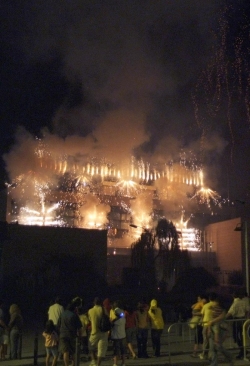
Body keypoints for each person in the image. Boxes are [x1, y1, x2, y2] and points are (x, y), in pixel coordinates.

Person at [207, 295, 234, 366]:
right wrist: (209, 328)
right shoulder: (213, 308)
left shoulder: (222, 310)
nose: (213, 302)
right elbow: (210, 319)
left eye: (215, 301)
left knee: (218, 347)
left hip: (220, 329)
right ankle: (214, 363)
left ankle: (230, 356)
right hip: (213, 328)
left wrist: (212, 322)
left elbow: (221, 317)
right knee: (212, 348)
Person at [226, 288, 249, 360]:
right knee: (242, 336)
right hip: (243, 320)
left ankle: (242, 351)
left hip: (237, 320)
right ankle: (243, 350)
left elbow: (230, 313)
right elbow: (248, 311)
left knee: (235, 336)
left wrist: (222, 319)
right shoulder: (244, 301)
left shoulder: (235, 303)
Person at [57, 300, 83, 366]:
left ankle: (66, 365)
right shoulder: (74, 315)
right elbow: (79, 327)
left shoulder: (62, 314)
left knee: (65, 352)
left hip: (63, 335)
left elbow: (58, 325)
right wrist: (80, 336)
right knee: (73, 351)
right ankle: (73, 364)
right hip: (72, 335)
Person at [88, 297, 109, 366]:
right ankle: (98, 364)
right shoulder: (103, 309)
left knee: (91, 347)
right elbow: (107, 318)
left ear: (94, 303)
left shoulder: (90, 311)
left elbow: (90, 320)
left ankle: (93, 361)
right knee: (101, 350)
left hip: (94, 332)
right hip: (103, 332)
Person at [199, 292, 217, 360]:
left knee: (206, 341)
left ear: (209, 299)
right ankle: (213, 355)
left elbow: (202, 315)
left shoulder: (206, 306)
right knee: (213, 341)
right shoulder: (217, 305)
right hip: (215, 325)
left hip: (206, 325)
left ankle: (205, 354)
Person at [110, 301, 126, 366]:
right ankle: (123, 363)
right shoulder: (123, 319)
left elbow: (111, 325)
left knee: (116, 351)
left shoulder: (115, 321)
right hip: (123, 336)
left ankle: (115, 363)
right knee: (123, 351)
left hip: (116, 337)